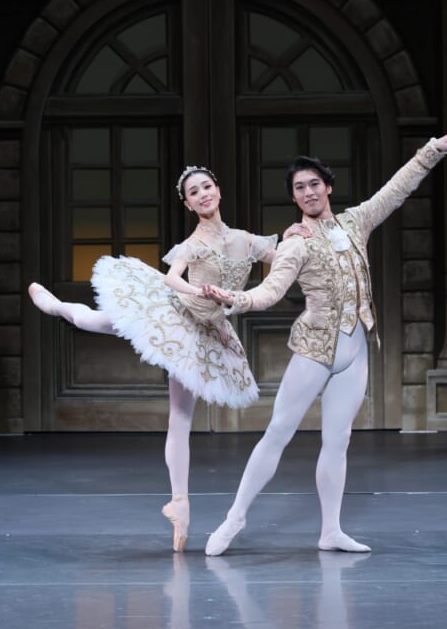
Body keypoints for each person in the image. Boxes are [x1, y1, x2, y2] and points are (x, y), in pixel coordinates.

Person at [201, 128, 447, 555]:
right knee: (278, 431)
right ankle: (234, 518)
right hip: (314, 350)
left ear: (328, 187)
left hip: (355, 350)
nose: (308, 192)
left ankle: (330, 531)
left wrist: (431, 151)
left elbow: (394, 191)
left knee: (338, 440)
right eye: (299, 188)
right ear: (294, 198)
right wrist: (235, 299)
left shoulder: (354, 222)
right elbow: (271, 291)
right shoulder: (296, 242)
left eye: (314, 184)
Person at [28, 165, 309, 553]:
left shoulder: (247, 240)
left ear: (218, 191)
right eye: (194, 192)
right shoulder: (192, 244)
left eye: (207, 187)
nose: (203, 194)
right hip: (177, 313)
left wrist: (293, 236)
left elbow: (286, 264)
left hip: (207, 331)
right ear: (188, 204)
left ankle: (180, 504)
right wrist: (200, 291)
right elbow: (173, 278)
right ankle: (59, 307)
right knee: (97, 320)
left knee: (180, 417)